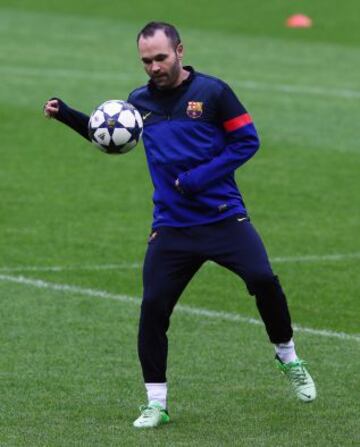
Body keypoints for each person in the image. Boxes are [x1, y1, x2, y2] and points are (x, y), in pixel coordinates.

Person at [44, 21, 316, 429]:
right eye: (146, 60)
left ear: (180, 51)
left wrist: (197, 178)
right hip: (172, 227)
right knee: (153, 308)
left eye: (160, 58)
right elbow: (111, 134)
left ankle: (288, 356)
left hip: (223, 215)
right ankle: (156, 403)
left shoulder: (213, 93)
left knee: (263, 279)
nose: (153, 67)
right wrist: (65, 113)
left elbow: (248, 141)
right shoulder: (139, 101)